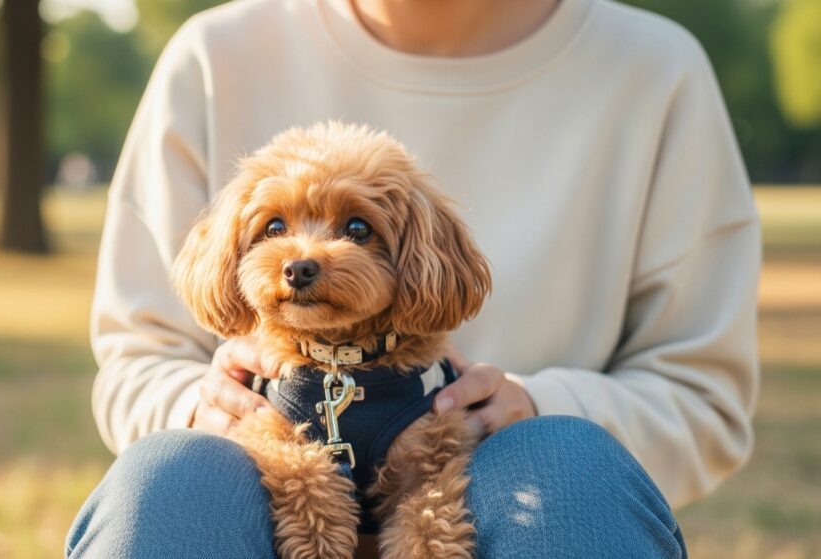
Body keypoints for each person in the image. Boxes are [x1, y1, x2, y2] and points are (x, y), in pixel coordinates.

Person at [66, 0, 760, 556]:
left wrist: (531, 410)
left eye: (358, 228)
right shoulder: (211, 57)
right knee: (172, 478)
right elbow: (138, 356)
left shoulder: (657, 71)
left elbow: (703, 394)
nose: (305, 254)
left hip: (522, 514)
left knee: (563, 462)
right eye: (275, 228)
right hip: (244, 499)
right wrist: (206, 407)